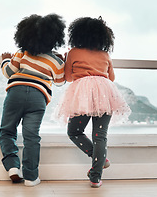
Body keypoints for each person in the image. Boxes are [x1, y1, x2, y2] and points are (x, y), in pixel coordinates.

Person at [55, 16, 131, 188]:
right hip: (105, 94)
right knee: (100, 136)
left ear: (78, 34)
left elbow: (67, 77)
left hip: (82, 95)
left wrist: (67, 59)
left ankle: (98, 159)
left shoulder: (73, 52)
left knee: (74, 132)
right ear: (103, 37)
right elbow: (111, 78)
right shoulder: (105, 54)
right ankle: (95, 177)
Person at [0, 13, 66, 187]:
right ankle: (30, 176)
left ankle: (13, 167)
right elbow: (60, 82)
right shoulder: (55, 61)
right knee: (31, 136)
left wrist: (5, 59)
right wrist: (61, 62)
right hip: (39, 97)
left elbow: (8, 72)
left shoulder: (22, 53)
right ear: (54, 39)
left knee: (7, 130)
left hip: (16, 92)